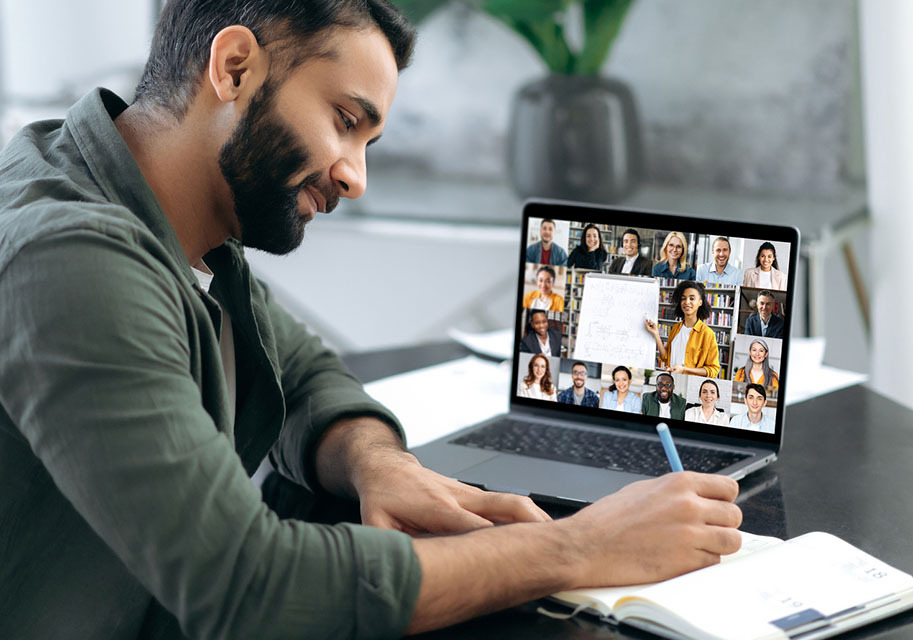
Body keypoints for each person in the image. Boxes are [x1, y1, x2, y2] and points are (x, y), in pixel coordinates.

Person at [0, 2, 743, 638]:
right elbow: (250, 587)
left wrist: (378, 464)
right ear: (233, 68)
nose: (355, 176)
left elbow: (305, 371)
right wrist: (581, 548)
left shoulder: (169, 220)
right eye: (345, 120)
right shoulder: (73, 259)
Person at [644, 280, 721, 378]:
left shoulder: (707, 333)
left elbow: (714, 370)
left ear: (700, 302)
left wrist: (684, 369)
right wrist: (656, 334)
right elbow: (665, 357)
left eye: (692, 298)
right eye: (683, 298)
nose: (687, 302)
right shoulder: (676, 328)